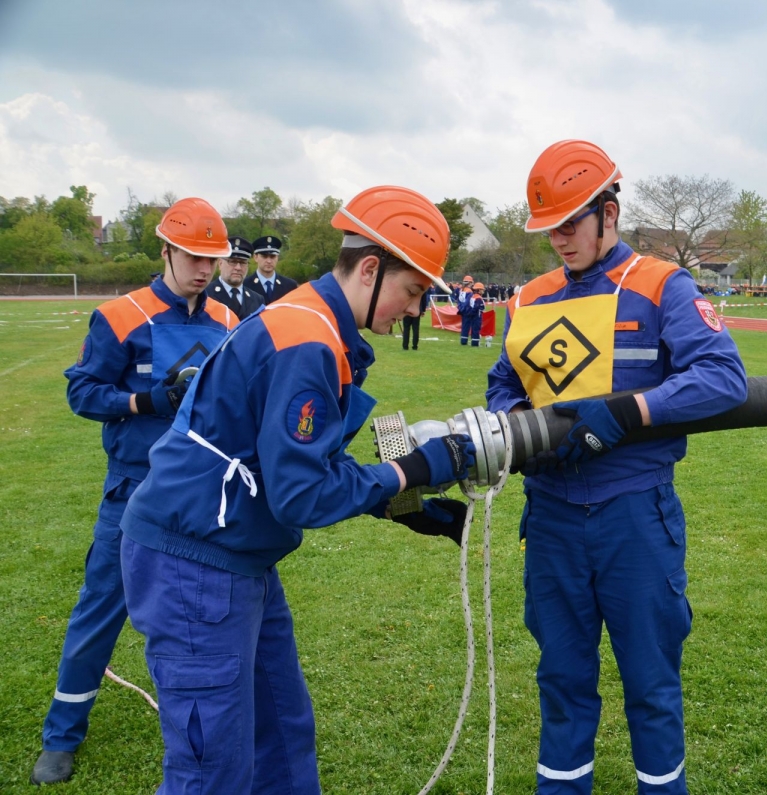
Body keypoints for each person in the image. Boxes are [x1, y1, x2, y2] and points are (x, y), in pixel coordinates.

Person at [117, 186, 477, 794]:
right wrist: (413, 471)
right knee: (212, 771)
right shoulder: (306, 336)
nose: (414, 311)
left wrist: (394, 503)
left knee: (282, 731)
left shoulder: (316, 324)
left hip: (238, 555)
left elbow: (294, 463)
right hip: (195, 564)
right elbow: (302, 496)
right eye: (412, 292)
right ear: (371, 268)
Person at [486, 139, 747, 794]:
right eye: (549, 229)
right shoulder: (530, 299)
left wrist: (629, 412)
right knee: (562, 682)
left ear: (610, 211)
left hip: (634, 514)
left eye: (571, 223)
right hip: (549, 517)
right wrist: (524, 423)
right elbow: (501, 386)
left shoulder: (662, 284)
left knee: (651, 684)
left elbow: (724, 378)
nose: (560, 241)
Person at [32, 198, 240, 786]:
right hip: (132, 493)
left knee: (203, 621)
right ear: (167, 250)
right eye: (195, 256)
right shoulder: (120, 315)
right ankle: (61, 735)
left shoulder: (227, 322)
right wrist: (142, 401)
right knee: (99, 613)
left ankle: (204, 728)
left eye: (212, 258)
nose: (204, 269)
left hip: (201, 498)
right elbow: (81, 393)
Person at [205, 235, 265, 320]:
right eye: (232, 262)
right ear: (220, 263)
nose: (238, 268)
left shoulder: (257, 299)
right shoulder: (205, 294)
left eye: (243, 262)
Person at [245, 235, 298, 304]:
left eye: (272, 257)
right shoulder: (245, 285)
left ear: (277, 258)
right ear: (255, 257)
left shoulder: (289, 286)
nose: (269, 261)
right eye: (264, 256)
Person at [403, 284, 430, 350]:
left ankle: (405, 346)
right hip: (417, 309)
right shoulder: (421, 287)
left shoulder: (407, 286)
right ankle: (415, 346)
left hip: (407, 309)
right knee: (415, 328)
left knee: (406, 328)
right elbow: (424, 299)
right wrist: (423, 310)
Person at [459, 281, 485, 346]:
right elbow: (478, 307)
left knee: (469, 328)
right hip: (477, 315)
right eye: (482, 290)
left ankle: (465, 341)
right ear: (478, 290)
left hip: (470, 314)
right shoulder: (478, 298)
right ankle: (475, 343)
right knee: (476, 329)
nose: (483, 291)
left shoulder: (472, 296)